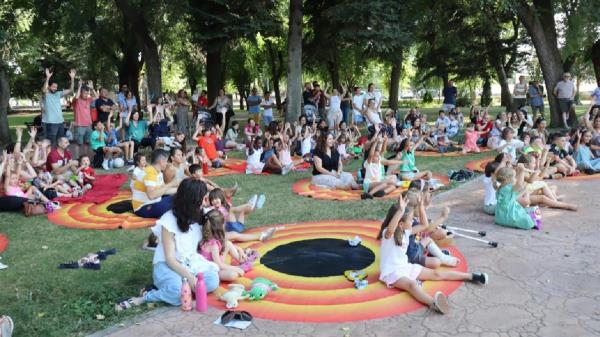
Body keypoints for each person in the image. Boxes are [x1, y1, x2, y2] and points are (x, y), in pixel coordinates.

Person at [115, 179, 220, 310]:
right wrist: (190, 277)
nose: (206, 202)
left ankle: (178, 288)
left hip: (190, 262)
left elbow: (220, 224)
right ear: (192, 201)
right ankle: (144, 297)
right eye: (203, 198)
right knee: (177, 293)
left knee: (212, 279)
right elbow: (170, 259)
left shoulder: (201, 215)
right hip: (167, 265)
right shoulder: (169, 220)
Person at [378, 195, 488, 314]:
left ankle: (472, 276)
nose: (412, 221)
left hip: (406, 266)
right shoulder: (387, 234)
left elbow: (424, 226)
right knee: (412, 285)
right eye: (410, 220)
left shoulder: (406, 232)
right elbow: (390, 230)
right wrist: (401, 211)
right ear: (401, 224)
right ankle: (434, 303)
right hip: (392, 272)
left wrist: (420, 207)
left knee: (437, 274)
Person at [131, 149, 180, 218]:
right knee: (176, 199)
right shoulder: (150, 172)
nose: (167, 164)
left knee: (179, 196)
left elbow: (164, 190)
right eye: (166, 161)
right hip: (143, 208)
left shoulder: (158, 172)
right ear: (161, 161)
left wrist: (180, 189)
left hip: (151, 203)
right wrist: (171, 184)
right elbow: (151, 195)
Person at [42, 68, 76, 147]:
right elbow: (44, 89)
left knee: (61, 142)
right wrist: (48, 78)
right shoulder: (46, 94)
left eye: (56, 87)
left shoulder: (58, 94)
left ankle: (59, 157)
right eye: (53, 86)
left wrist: (72, 78)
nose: (55, 88)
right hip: (50, 123)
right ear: (49, 87)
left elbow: (71, 90)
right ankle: (50, 158)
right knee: (51, 142)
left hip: (60, 122)